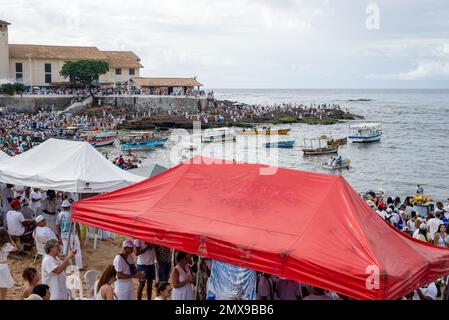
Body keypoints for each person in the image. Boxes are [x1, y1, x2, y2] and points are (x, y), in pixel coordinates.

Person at [56, 200, 83, 270]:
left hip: (63, 234)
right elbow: (76, 225)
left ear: (63, 207)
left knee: (65, 249)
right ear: (69, 207)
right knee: (77, 250)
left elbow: (57, 226)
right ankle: (79, 266)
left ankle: (65, 265)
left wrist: (59, 236)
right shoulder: (72, 214)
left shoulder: (59, 215)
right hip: (71, 234)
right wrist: (79, 234)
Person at [0, 227, 17, 299]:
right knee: (3, 286)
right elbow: (15, 248)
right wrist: (10, 239)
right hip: (3, 266)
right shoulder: (6, 245)